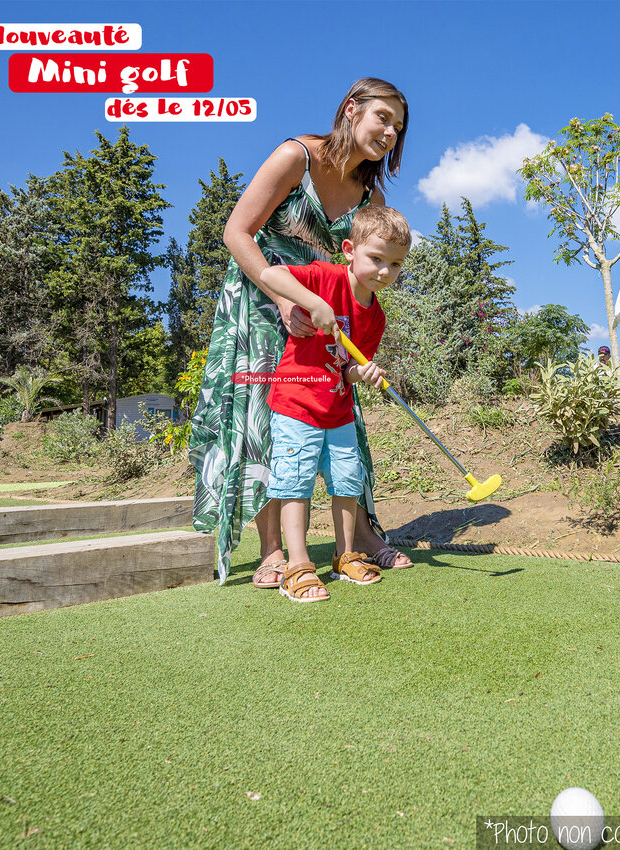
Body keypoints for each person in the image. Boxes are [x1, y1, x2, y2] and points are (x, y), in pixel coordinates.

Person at [189, 77, 412, 587]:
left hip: (326, 311)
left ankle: (359, 537)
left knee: (339, 412)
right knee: (263, 419)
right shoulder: (297, 156)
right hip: (265, 293)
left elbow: (364, 258)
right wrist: (284, 299)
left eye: (398, 127)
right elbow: (236, 232)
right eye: (384, 117)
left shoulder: (369, 191)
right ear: (352, 109)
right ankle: (272, 549)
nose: (390, 133)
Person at [257, 205, 410, 601]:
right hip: (296, 403)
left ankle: (346, 556)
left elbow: (345, 371)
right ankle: (297, 565)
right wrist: (314, 302)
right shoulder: (325, 278)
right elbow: (269, 274)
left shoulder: (375, 318)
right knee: (295, 482)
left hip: (338, 410)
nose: (384, 271)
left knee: (346, 482)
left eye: (395, 265)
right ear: (349, 250)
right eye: (376, 258)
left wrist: (363, 374)